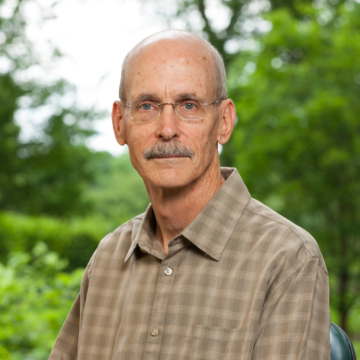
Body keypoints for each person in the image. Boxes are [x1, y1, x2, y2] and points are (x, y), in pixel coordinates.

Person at [50, 29, 331, 360]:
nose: (167, 128)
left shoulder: (288, 259)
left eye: (188, 104)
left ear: (223, 122)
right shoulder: (108, 258)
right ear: (119, 123)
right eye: (147, 105)